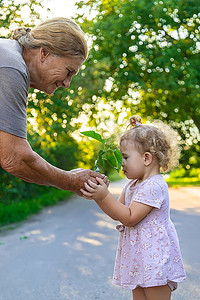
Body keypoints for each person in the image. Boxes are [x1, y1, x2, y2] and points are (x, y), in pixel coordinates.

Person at [81, 115, 186, 300]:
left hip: (154, 258)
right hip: (138, 258)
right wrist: (101, 195)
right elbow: (117, 212)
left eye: (125, 157)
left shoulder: (154, 185)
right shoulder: (132, 185)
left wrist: (104, 195)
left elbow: (129, 217)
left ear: (147, 158)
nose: (121, 163)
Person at [0, 17, 108, 195]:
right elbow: (15, 158)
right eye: (69, 71)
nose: (67, 84)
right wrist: (70, 181)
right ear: (44, 53)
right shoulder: (12, 68)